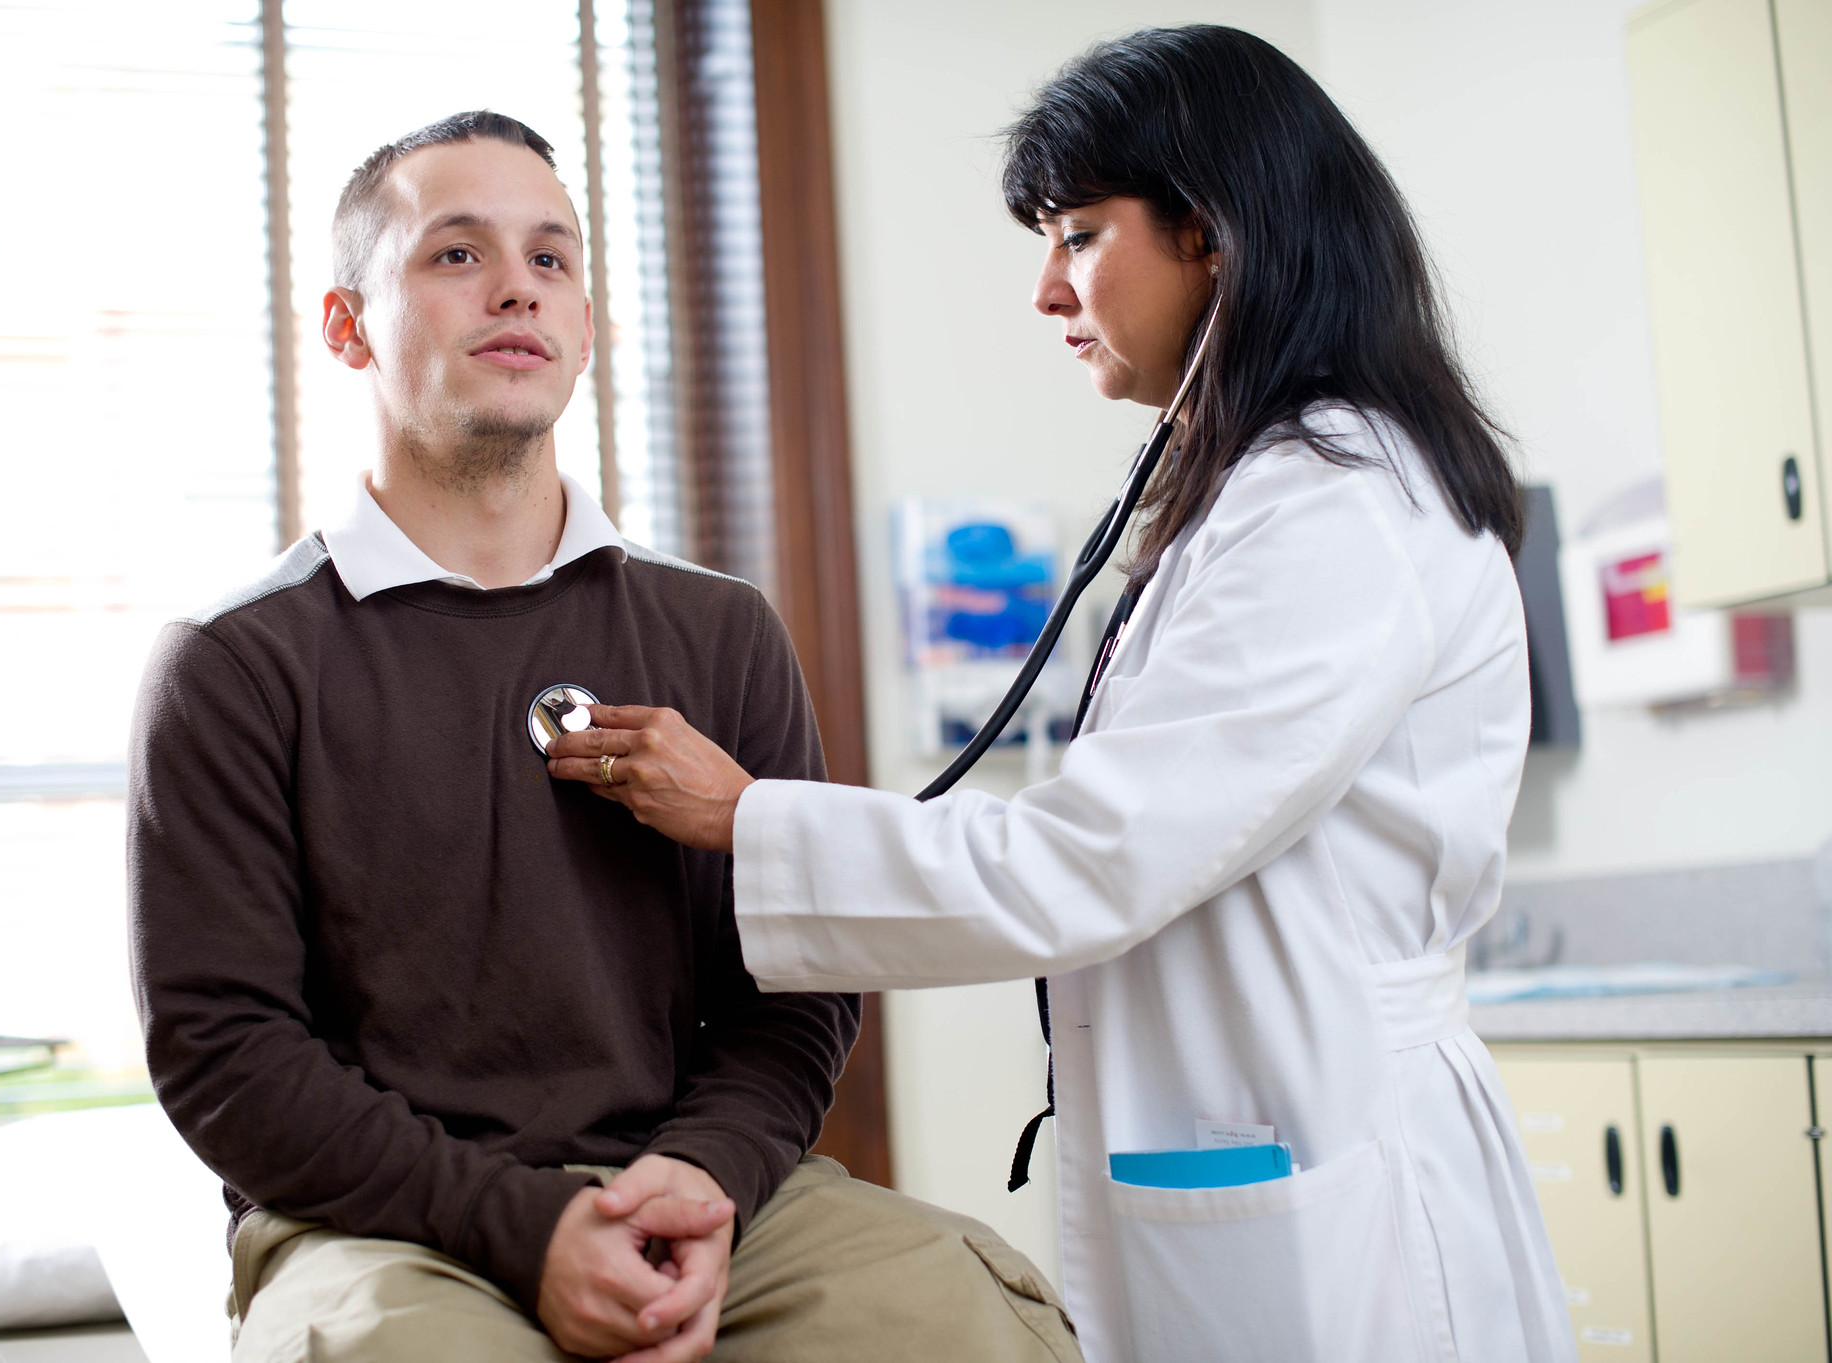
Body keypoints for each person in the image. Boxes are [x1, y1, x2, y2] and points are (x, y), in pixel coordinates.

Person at [546, 27, 1577, 1363]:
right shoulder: (1256, 496)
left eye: (1079, 234)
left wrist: (747, 819)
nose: (1048, 289)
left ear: (1216, 232)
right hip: (1252, 1113)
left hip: (1338, 1157)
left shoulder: (1343, 506)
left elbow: (1089, 854)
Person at [127, 111, 1079, 1363]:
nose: (516, 283)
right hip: (381, 1224)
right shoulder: (235, 661)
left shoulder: (721, 630)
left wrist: (699, 1176)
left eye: (551, 258)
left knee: (963, 1314)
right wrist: (524, 1225)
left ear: (583, 326)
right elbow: (225, 1054)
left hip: (702, 1191)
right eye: (455, 255)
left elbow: (792, 994)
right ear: (347, 326)